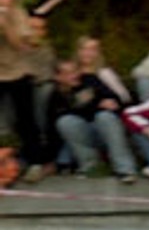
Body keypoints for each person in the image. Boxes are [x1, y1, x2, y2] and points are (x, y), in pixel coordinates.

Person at [51, 52, 138, 183]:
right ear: (58, 77)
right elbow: (64, 115)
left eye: (75, 71)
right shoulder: (56, 96)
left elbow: (113, 99)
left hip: (106, 128)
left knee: (104, 117)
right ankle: (91, 166)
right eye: (68, 73)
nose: (74, 75)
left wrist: (110, 103)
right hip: (84, 133)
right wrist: (95, 105)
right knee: (65, 122)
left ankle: (125, 169)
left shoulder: (90, 80)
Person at [0, 0, 53, 183]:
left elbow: (21, 45)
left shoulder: (19, 15)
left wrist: (6, 22)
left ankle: (35, 163)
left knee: (26, 120)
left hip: (18, 72)